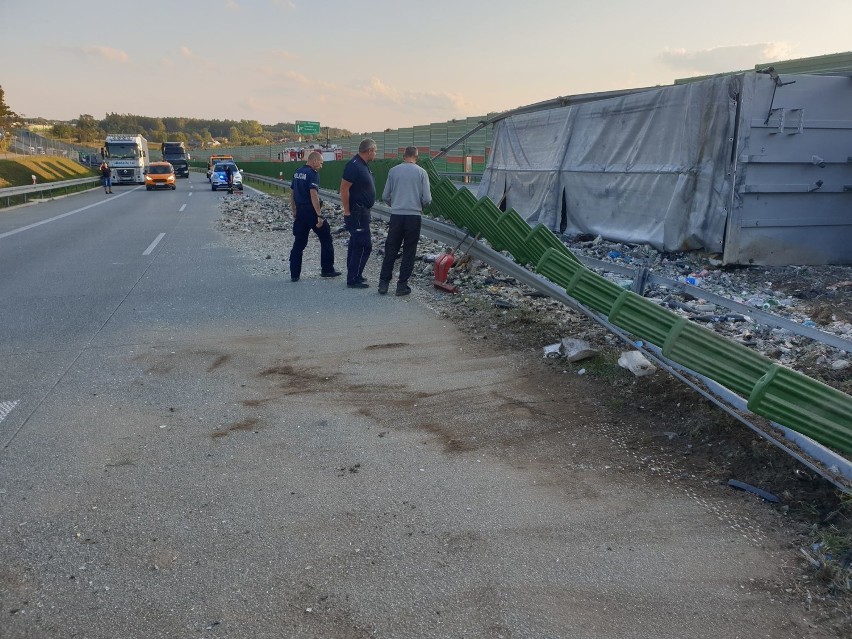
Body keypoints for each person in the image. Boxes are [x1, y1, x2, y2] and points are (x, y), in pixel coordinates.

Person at [378, 146, 432, 296]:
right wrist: (419, 205)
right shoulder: (422, 172)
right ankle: (402, 285)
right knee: (409, 250)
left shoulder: (393, 171)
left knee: (391, 248)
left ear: (403, 156)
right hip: (413, 216)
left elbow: (385, 196)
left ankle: (383, 284)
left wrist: (395, 205)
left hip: (396, 215)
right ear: (417, 157)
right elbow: (427, 199)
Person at [288, 151, 340, 282]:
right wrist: (319, 215)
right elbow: (313, 195)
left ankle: (294, 274)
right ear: (314, 161)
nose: (321, 166)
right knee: (326, 237)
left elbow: (292, 193)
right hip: (311, 211)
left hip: (300, 212)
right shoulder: (313, 174)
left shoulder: (297, 172)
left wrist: (294, 210)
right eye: (321, 163)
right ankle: (327, 269)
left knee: (299, 243)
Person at [340, 138, 377, 288]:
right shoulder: (354, 166)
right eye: (375, 151)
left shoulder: (363, 165)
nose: (375, 154)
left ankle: (355, 274)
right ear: (369, 151)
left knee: (356, 243)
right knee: (364, 245)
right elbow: (343, 188)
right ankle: (353, 278)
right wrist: (347, 211)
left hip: (363, 211)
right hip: (357, 211)